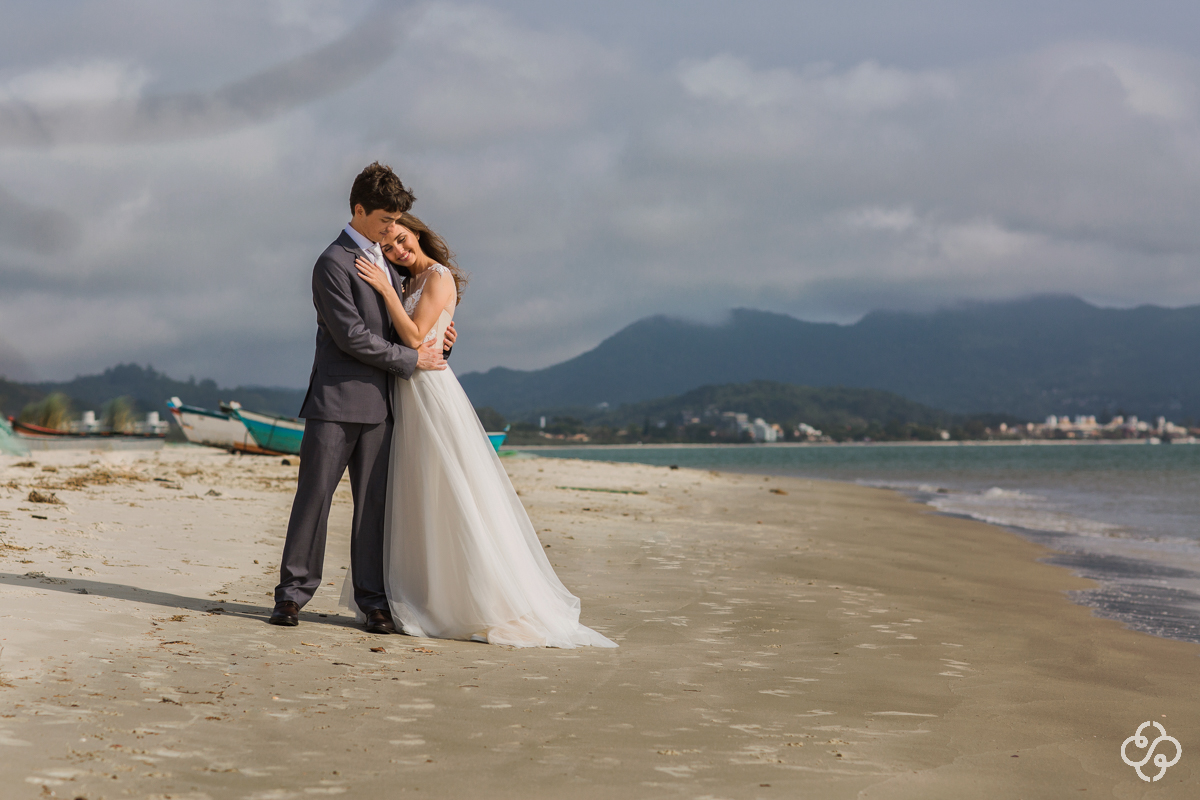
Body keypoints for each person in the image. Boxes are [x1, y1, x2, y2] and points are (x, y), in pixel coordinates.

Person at [348, 213, 616, 649]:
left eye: (402, 239)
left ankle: (477, 598)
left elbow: (415, 337)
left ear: (417, 232)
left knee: (452, 490)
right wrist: (398, 296)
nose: (398, 251)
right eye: (390, 246)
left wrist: (384, 290)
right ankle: (423, 594)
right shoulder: (407, 283)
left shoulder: (438, 277)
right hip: (404, 392)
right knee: (418, 495)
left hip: (430, 392)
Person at [268, 163, 456, 635]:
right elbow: (351, 335)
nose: (392, 230)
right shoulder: (331, 262)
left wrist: (440, 343)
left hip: (385, 405)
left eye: (396, 221)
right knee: (314, 499)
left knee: (374, 509)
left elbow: (407, 328)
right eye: (384, 220)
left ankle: (373, 602)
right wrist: (411, 359)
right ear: (358, 210)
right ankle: (291, 595)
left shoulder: (389, 264)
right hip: (335, 401)